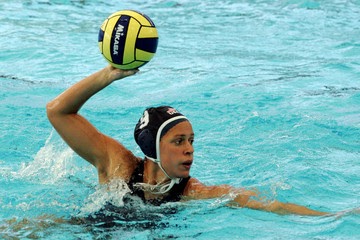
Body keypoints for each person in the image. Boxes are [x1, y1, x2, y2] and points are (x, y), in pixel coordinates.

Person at [46, 65, 329, 216]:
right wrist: (107, 75)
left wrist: (334, 215)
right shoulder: (117, 165)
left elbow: (265, 204)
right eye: (179, 141)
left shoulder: (191, 192)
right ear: (152, 146)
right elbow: (58, 111)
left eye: (191, 140)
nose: (190, 149)